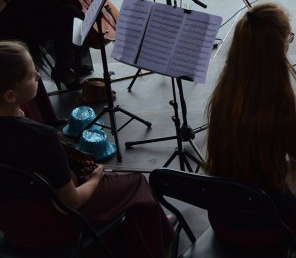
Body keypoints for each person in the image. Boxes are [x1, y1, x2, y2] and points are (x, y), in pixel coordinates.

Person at [0, 41, 174, 255]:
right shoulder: (42, 138)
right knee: (135, 181)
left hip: (12, 224)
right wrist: (95, 178)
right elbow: (71, 202)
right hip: (52, 228)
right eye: (30, 74)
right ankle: (161, 236)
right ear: (10, 95)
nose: (38, 75)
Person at [205, 3, 296, 256]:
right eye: (288, 40)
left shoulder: (223, 98)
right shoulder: (278, 112)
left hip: (222, 220)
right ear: (278, 49)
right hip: (268, 227)